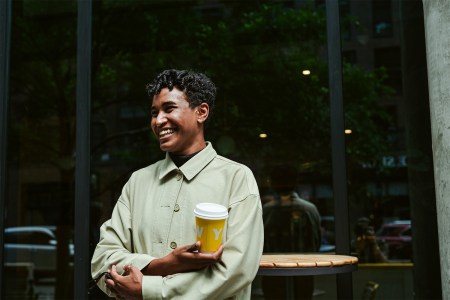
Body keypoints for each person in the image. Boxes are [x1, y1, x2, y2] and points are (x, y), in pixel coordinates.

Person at [91, 69, 264, 299]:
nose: (158, 120)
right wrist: (163, 265)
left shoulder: (237, 179)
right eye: (154, 112)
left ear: (201, 112)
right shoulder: (137, 182)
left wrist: (148, 290)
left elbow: (236, 271)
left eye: (169, 109)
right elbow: (103, 259)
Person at [262, 164, 321, 300]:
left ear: (273, 183)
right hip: (302, 274)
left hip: (272, 274)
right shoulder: (310, 209)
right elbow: (315, 243)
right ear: (296, 181)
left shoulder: (265, 211)